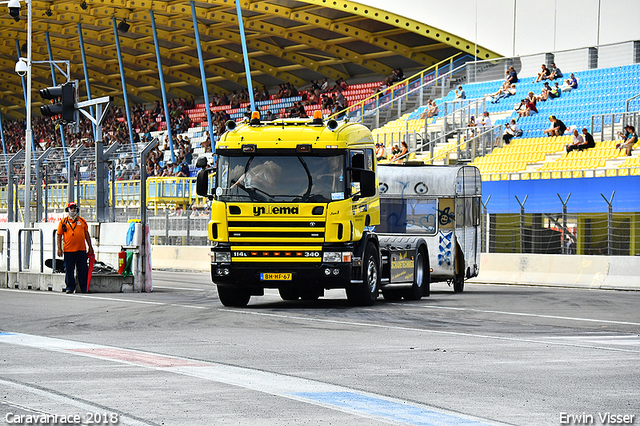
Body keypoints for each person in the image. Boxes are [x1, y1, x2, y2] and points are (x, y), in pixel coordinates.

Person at [56, 202, 94, 294]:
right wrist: (59, 248)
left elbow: (86, 234)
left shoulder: (82, 221)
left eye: (74, 208)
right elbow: (59, 235)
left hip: (81, 249)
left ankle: (84, 287)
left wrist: (90, 246)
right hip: (68, 250)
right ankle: (70, 287)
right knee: (69, 269)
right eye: (71, 208)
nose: (73, 210)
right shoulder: (63, 222)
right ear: (68, 209)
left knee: (83, 269)